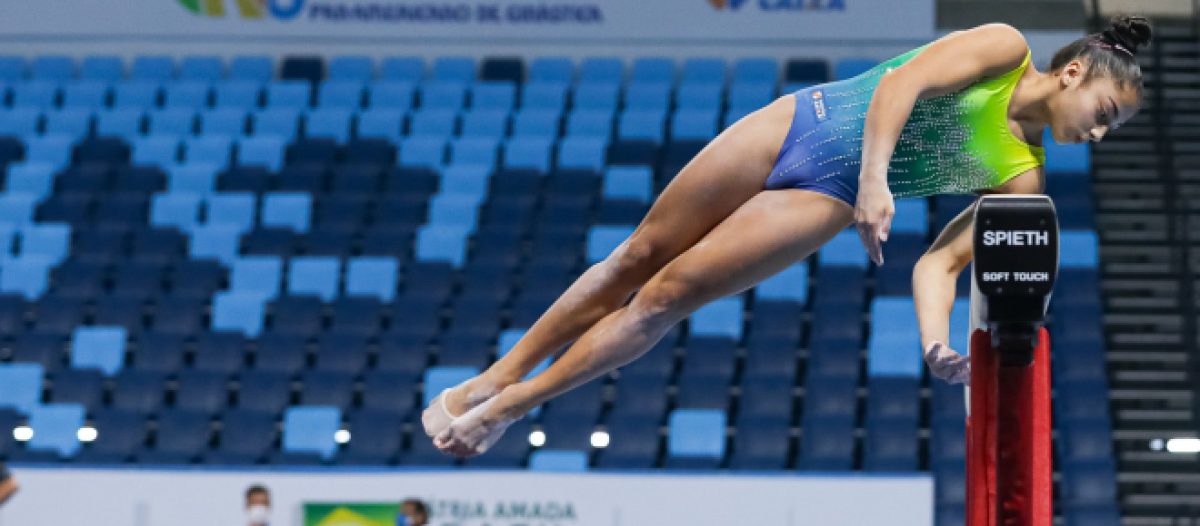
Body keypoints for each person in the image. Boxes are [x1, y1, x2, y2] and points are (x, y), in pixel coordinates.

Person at [422, 16, 1152, 457]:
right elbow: (901, 86)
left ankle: (514, 406)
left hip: (826, 195)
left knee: (663, 296)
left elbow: (941, 262)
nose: (1098, 133)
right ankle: (493, 377)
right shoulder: (1004, 46)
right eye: (1103, 112)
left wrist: (935, 343)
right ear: (1073, 71)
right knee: (636, 254)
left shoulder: (1023, 182)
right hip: (808, 122)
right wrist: (877, 178)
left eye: (1109, 129)